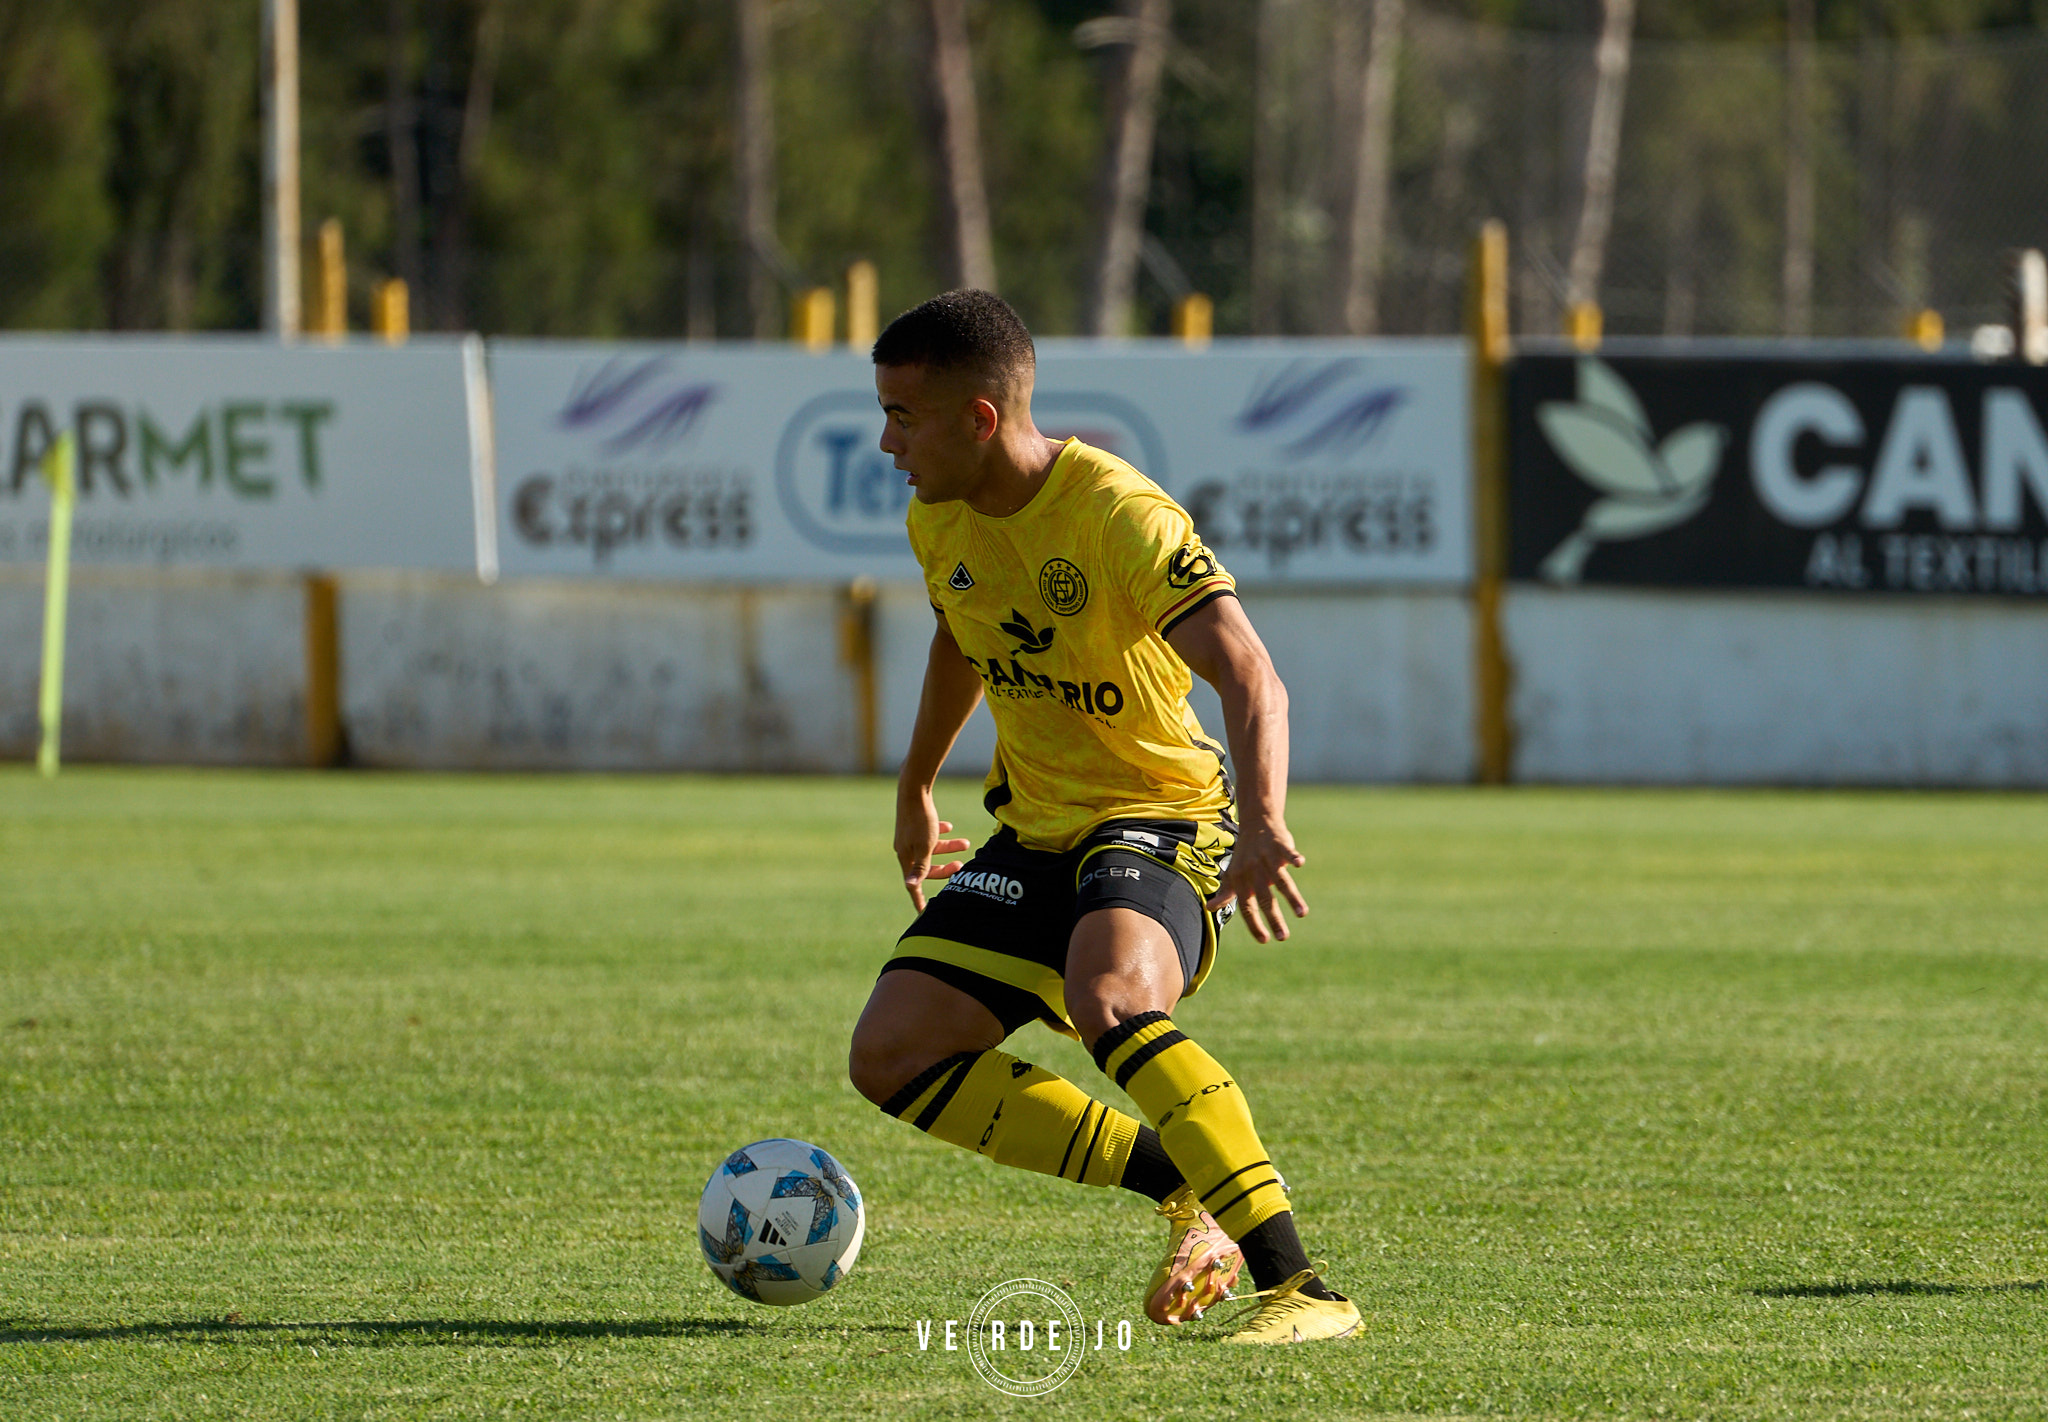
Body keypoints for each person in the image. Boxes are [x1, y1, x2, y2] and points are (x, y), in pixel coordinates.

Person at [845, 290, 1357, 1345]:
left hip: (1160, 814)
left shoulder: (1119, 513)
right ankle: (1186, 1187)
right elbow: (962, 631)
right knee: (892, 1054)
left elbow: (1252, 675)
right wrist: (913, 784)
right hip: (1035, 826)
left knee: (1111, 995)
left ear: (980, 419)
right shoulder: (933, 513)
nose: (885, 441)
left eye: (903, 415)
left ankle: (1304, 1290)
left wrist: (1262, 823)